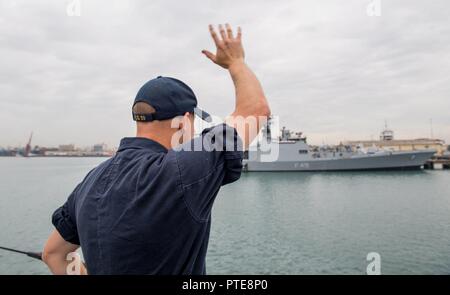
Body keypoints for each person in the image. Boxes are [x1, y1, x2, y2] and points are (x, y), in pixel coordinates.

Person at [42, 24, 270, 275]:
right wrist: (235, 62)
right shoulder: (180, 171)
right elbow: (255, 111)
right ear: (183, 121)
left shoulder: (90, 182)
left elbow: (54, 254)